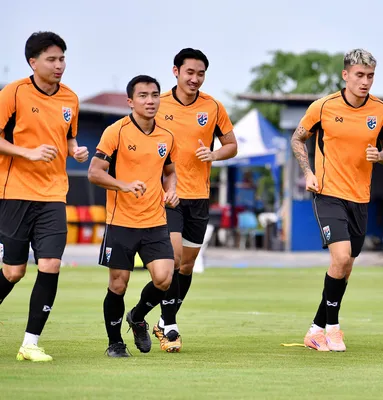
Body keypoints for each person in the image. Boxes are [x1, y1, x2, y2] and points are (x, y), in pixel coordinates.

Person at [291, 48, 383, 352]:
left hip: (360, 198)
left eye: (370, 76)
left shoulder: (382, 111)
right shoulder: (323, 107)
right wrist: (308, 172)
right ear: (345, 75)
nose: (365, 81)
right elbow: (298, 138)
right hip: (328, 193)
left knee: (346, 266)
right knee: (339, 258)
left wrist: (380, 155)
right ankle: (334, 328)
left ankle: (315, 329)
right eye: (360, 75)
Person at [0, 31, 88, 362]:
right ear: (32, 62)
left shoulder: (71, 98)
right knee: (14, 272)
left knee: (50, 264)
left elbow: (68, 138)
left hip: (53, 194)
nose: (59, 65)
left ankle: (30, 344)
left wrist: (75, 151)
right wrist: (28, 152)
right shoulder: (14, 92)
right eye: (51, 59)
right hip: (15, 192)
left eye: (62, 58)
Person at [150, 48, 238, 352]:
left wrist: (214, 154)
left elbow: (231, 145)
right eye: (190, 72)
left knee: (186, 266)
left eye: (201, 74)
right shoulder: (158, 104)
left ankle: (160, 321)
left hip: (199, 196)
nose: (195, 79)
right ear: (176, 71)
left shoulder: (213, 106)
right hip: (168, 196)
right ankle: (170, 326)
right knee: (174, 259)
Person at [88, 75, 179, 357]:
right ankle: (115, 343)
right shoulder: (115, 132)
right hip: (121, 222)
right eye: (143, 95)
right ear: (130, 101)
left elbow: (170, 172)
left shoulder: (167, 136)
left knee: (164, 279)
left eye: (155, 95)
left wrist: (171, 190)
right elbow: (94, 173)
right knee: (118, 284)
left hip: (155, 221)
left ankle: (137, 316)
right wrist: (123, 185)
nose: (150, 101)